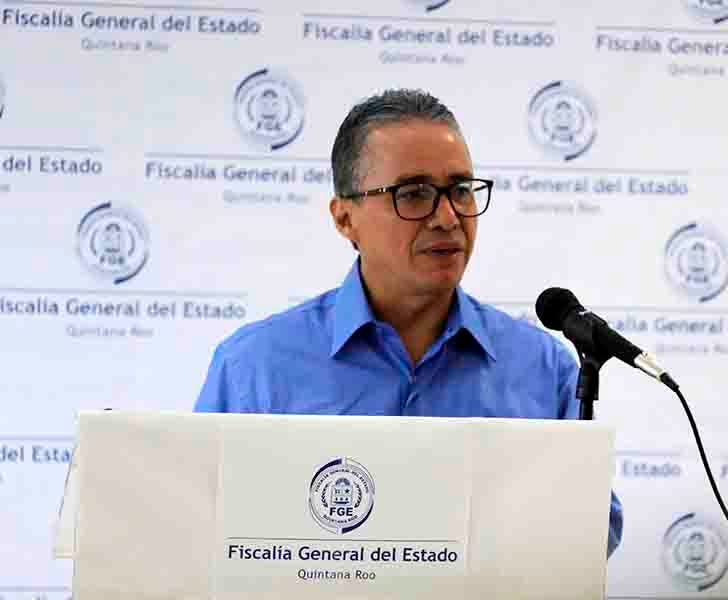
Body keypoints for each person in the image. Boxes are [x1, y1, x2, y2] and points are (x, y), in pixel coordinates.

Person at [195, 88, 623, 556]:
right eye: (414, 194)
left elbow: (595, 534)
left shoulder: (541, 367)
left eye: (460, 190)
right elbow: (201, 530)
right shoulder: (254, 367)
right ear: (345, 217)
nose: (448, 217)